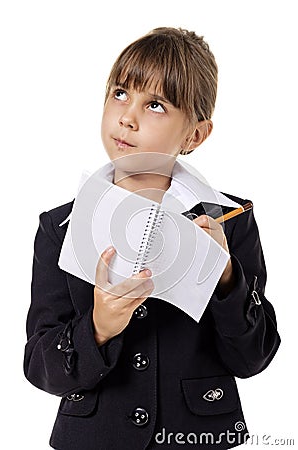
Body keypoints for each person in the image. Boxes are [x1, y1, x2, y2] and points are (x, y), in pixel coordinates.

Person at [24, 27, 280, 449]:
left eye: (156, 104)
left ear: (194, 135)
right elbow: (39, 365)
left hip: (196, 436)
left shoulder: (229, 220)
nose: (128, 116)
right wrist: (98, 328)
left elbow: (253, 358)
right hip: (94, 437)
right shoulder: (60, 227)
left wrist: (226, 277)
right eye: (120, 93)